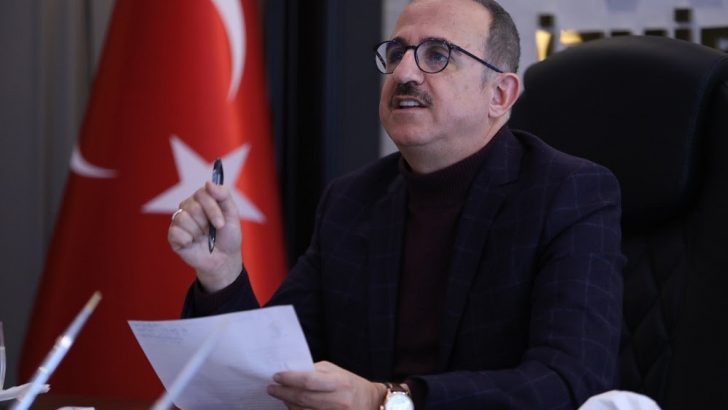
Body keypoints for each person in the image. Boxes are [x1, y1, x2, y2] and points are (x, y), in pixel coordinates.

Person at [167, 0, 625, 408]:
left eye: (437, 55)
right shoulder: (352, 200)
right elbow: (277, 371)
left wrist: (387, 401)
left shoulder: (567, 193)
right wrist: (222, 275)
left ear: (500, 95)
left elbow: (569, 382)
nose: (404, 74)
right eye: (396, 53)